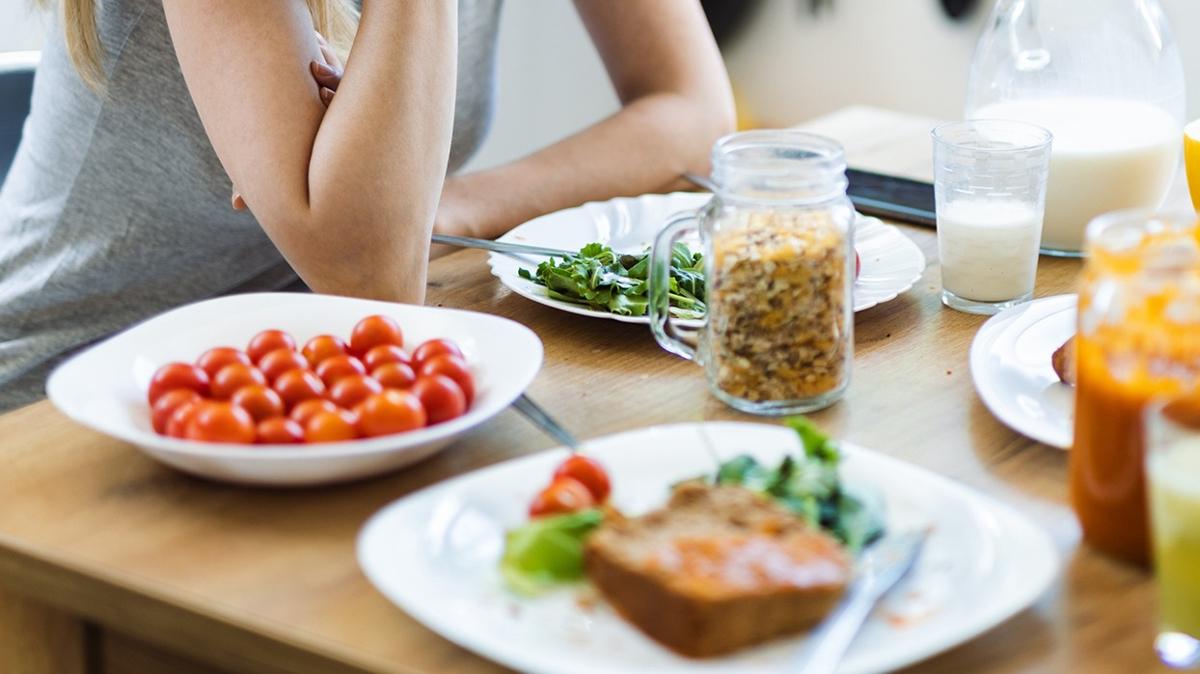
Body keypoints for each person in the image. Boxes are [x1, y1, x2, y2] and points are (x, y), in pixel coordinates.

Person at [0, 0, 735, 411]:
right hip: (59, 404)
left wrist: (432, 211)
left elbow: (696, 115)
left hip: (293, 374)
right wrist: (374, 226)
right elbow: (372, 286)